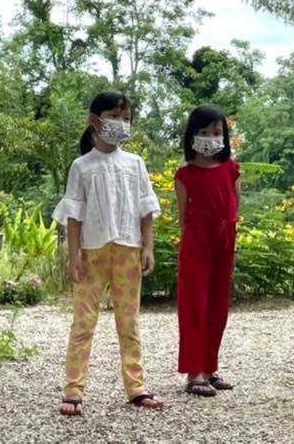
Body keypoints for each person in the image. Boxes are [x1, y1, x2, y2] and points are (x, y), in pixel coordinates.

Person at [53, 92, 164, 416]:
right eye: (114, 117)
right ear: (95, 121)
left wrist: (148, 247)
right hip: (92, 253)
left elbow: (146, 208)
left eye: (126, 118)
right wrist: (74, 255)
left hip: (128, 250)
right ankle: (73, 389)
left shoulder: (135, 164)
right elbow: (74, 215)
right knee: (83, 323)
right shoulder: (81, 166)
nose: (121, 124)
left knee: (129, 323)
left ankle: (136, 388)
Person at [175, 106, 241, 397]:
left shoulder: (232, 169)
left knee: (218, 305)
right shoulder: (184, 175)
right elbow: (183, 219)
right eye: (204, 132)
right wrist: (192, 243)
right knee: (195, 305)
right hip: (196, 242)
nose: (211, 138)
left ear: (224, 136)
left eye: (217, 132)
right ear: (192, 135)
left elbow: (235, 204)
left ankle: (210, 368)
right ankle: (194, 372)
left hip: (224, 241)